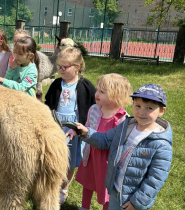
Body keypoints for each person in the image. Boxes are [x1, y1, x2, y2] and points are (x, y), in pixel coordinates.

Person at [67, 84, 172, 210]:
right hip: (115, 189)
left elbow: (155, 179)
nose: (141, 112)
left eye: (149, 108)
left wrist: (137, 202)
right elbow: (105, 139)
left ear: (161, 111)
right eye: (138, 106)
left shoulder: (161, 143)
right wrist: (86, 132)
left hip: (132, 199)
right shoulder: (126, 126)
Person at [73, 73, 132, 210]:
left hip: (106, 161)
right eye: (98, 90)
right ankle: (84, 207)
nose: (96, 94)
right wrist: (76, 131)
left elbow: (120, 143)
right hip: (90, 154)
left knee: (105, 188)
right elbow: (88, 126)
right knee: (87, 183)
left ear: (115, 95)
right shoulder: (93, 109)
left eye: (102, 91)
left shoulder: (123, 119)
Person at [44, 47, 96, 204]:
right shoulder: (57, 84)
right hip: (56, 126)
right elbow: (49, 103)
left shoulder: (85, 86)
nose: (60, 70)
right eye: (59, 66)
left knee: (70, 161)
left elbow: (92, 109)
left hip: (73, 129)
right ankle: (51, 184)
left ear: (77, 67)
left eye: (64, 67)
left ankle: (63, 188)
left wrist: (79, 127)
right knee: (52, 155)